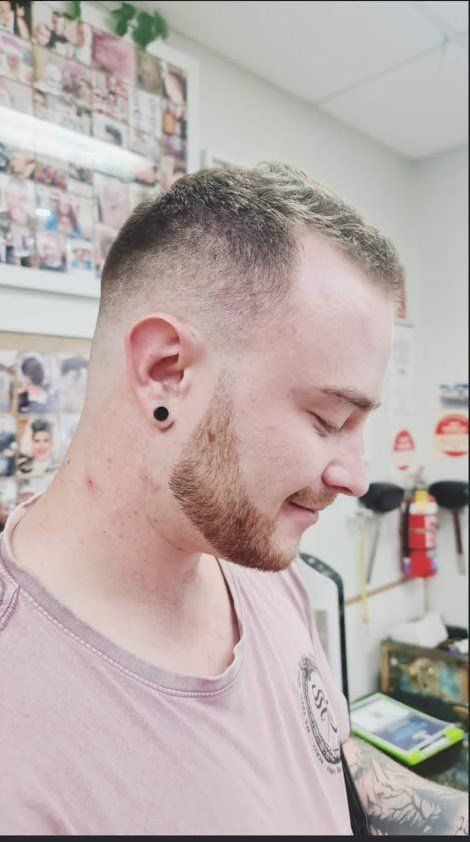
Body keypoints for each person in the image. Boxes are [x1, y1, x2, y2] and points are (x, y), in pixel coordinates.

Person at [0, 164, 467, 836]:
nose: (357, 478)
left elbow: (326, 762)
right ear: (167, 372)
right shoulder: (19, 737)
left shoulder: (259, 564)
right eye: (329, 419)